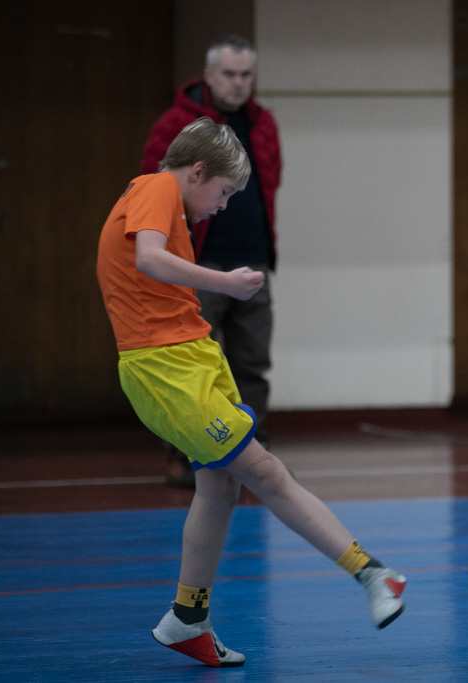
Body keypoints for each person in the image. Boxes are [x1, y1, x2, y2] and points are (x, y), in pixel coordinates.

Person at [97, 119, 405, 667]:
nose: (221, 207)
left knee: (220, 488)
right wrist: (225, 282)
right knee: (266, 473)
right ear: (197, 172)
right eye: (223, 193)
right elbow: (147, 257)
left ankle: (187, 618)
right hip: (166, 366)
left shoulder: (167, 198)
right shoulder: (157, 186)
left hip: (191, 356)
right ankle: (372, 573)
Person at [141, 35, 281, 488]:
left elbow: (270, 185)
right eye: (229, 74)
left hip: (252, 258)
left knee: (252, 361)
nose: (238, 83)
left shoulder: (263, 124)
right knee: (196, 362)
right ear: (208, 76)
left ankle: (253, 451)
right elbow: (155, 187)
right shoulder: (177, 124)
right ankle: (187, 454)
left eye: (246, 75)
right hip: (198, 262)